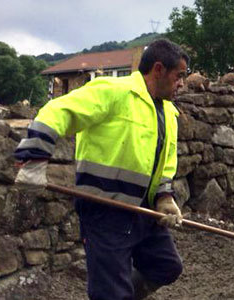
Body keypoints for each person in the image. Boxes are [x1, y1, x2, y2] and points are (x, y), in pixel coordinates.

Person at [13, 39, 189, 299]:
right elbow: (57, 110)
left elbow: (165, 162)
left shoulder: (168, 111)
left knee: (166, 267)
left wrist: (164, 197)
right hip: (105, 212)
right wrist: (35, 157)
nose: (182, 83)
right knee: (112, 293)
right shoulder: (113, 92)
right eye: (179, 76)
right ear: (159, 69)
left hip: (143, 212)